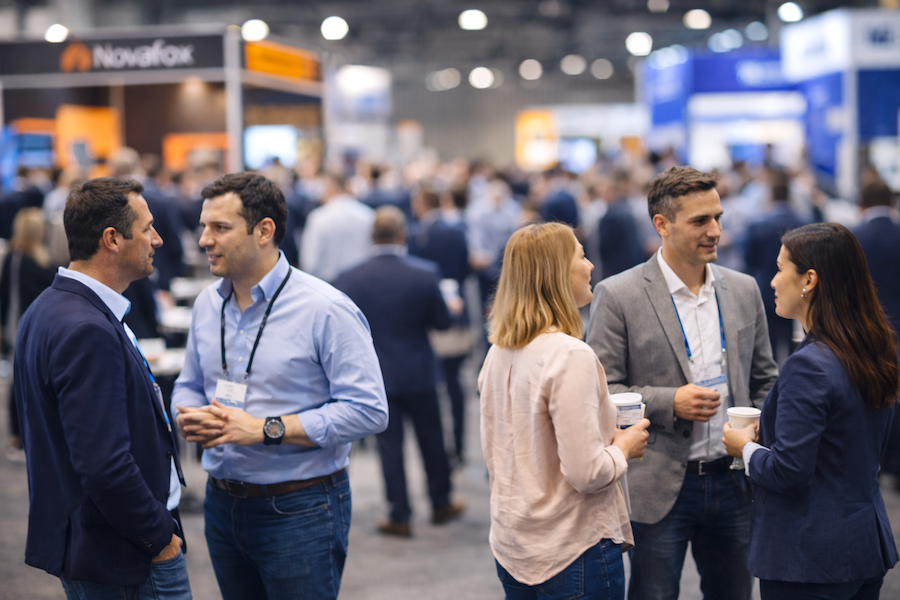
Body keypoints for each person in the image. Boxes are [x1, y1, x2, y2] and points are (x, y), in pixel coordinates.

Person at [172, 172, 388, 600]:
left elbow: (368, 409)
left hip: (300, 508)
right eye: (203, 226)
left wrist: (266, 428)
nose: (203, 240)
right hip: (221, 505)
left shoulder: (325, 309)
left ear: (264, 230)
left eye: (220, 228)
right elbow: (189, 382)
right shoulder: (206, 304)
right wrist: (189, 411)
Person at [587, 165, 778, 600]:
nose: (715, 231)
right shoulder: (619, 295)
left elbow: (766, 377)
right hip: (659, 484)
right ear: (662, 225)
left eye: (718, 218)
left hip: (735, 482)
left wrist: (761, 426)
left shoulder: (744, 289)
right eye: (700, 221)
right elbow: (601, 391)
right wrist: (668, 401)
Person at [13, 177, 190, 599]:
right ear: (112, 239)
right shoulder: (86, 328)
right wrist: (159, 538)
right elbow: (103, 464)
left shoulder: (52, 308)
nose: (158, 239)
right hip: (122, 554)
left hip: (95, 541)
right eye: (147, 228)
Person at [724, 222, 899, 599]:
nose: (772, 281)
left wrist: (744, 447)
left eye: (780, 268)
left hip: (809, 558)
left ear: (809, 280)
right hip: (864, 543)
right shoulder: (871, 348)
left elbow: (788, 472)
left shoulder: (809, 365)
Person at [479, 221, 649, 599]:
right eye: (581, 256)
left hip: (514, 544)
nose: (590, 266)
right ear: (555, 273)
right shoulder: (569, 354)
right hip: (572, 548)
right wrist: (624, 447)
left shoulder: (497, 353)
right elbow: (587, 473)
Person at [335, 207, 465, 537]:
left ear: (371, 238)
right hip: (420, 370)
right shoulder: (425, 273)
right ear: (403, 235)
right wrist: (453, 309)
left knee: (389, 446)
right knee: (432, 439)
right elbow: (441, 323)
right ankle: (440, 502)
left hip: (377, 374)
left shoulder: (349, 277)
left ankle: (399, 513)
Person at [408, 186, 473, 464]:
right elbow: (466, 269)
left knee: (432, 386)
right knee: (455, 383)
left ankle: (438, 450)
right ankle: (458, 445)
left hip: (424, 317)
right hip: (456, 311)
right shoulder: (457, 233)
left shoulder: (415, 236)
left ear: (421, 204)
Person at [0, 208, 55, 456]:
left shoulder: (13, 257)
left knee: (18, 379)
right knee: (21, 381)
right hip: (27, 329)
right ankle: (20, 435)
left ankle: (17, 434)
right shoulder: (36, 263)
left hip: (17, 327)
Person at [743, 168, 807, 363]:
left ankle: (773, 383)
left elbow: (749, 261)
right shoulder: (804, 224)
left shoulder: (758, 226)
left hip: (766, 290)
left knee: (768, 341)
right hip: (798, 289)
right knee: (792, 340)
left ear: (770, 196)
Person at [300, 171, 375, 282]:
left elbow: (310, 261)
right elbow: (372, 250)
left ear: (331, 187)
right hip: (361, 282)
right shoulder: (367, 215)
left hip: (327, 284)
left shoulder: (319, 217)